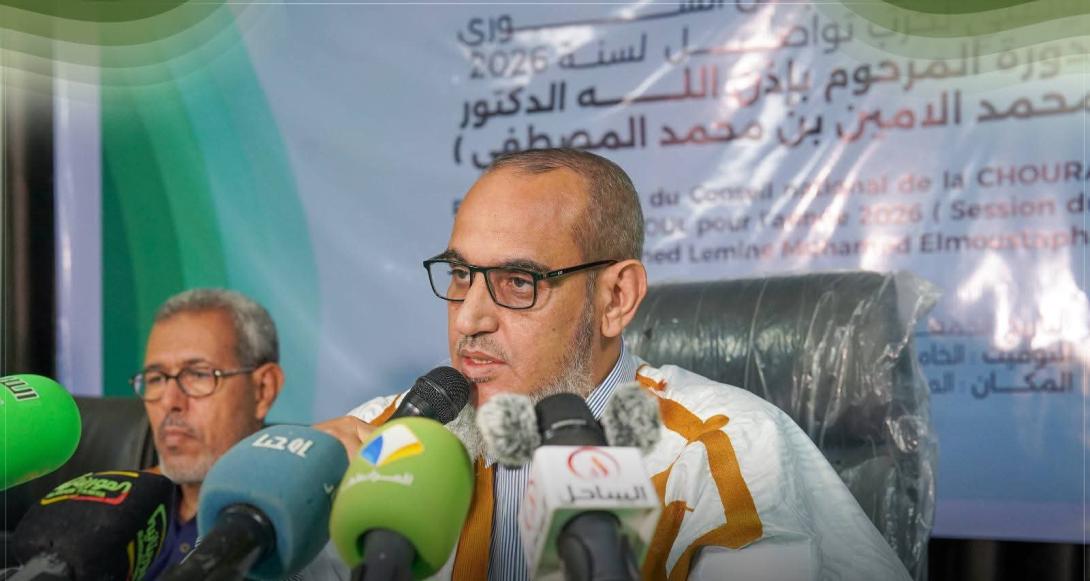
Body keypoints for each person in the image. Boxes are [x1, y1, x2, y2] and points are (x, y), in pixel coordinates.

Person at [317, 148, 910, 580]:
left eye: (518, 281)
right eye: (460, 274)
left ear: (616, 299)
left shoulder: (723, 450)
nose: (469, 318)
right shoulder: (389, 441)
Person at [135, 289, 344, 580]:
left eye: (198, 374)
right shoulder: (126, 511)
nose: (170, 401)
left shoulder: (302, 536)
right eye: (156, 378)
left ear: (263, 390)